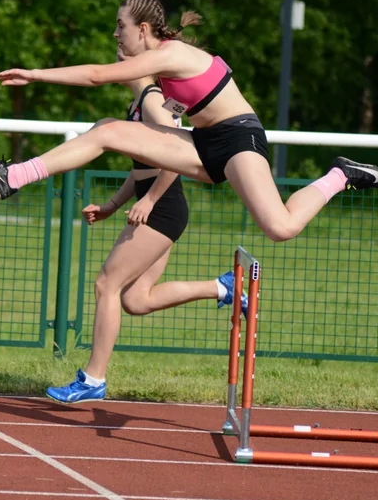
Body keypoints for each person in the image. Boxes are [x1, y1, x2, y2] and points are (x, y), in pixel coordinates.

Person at [0, 0, 378, 244]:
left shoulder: (170, 55)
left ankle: (341, 174)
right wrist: (123, 196)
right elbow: (167, 117)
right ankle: (13, 177)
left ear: (142, 30)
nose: (115, 34)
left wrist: (33, 73)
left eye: (120, 26)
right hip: (202, 143)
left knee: (279, 228)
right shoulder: (160, 65)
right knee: (107, 130)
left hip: (238, 139)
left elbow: (99, 75)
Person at [44, 50, 246, 404]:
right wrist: (112, 205)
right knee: (136, 300)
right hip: (160, 207)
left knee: (106, 283)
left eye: (119, 48)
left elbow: (176, 160)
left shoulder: (154, 102)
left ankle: (93, 378)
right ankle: (223, 288)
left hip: (163, 208)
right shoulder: (137, 103)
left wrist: (150, 200)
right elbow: (142, 167)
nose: (115, 59)